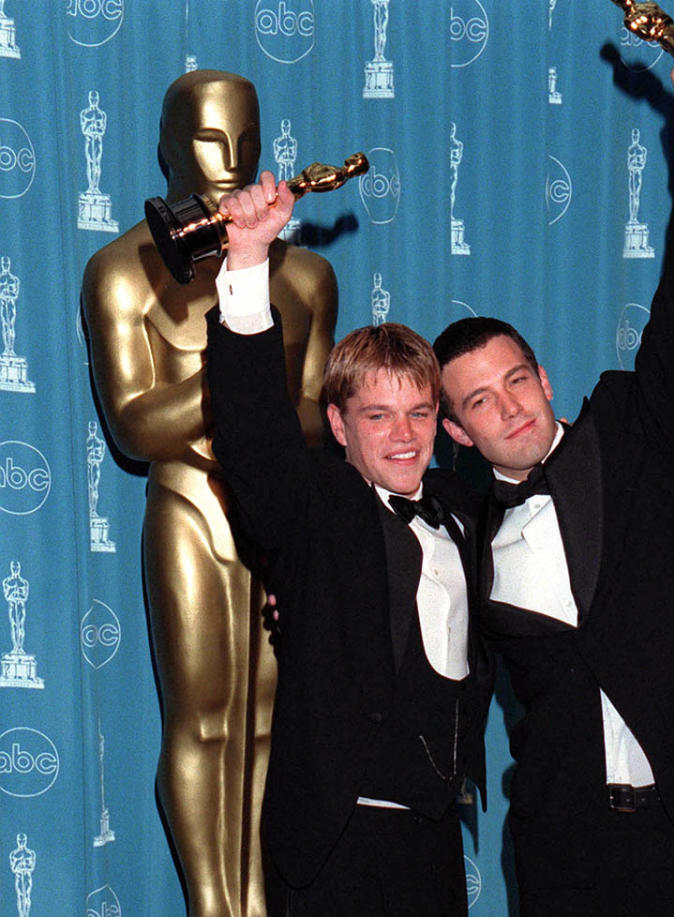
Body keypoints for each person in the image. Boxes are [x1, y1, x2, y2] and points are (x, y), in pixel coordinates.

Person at [434, 35, 674, 916]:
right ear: (455, 433)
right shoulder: (458, 524)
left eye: (516, 380)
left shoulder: (636, 432)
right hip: (565, 856)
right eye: (477, 402)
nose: (508, 407)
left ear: (544, 381)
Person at [81, 70, 337, 917]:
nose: (230, 162)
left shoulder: (306, 281)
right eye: (207, 141)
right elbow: (134, 427)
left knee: (275, 719)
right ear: (167, 146)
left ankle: (260, 899)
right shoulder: (120, 270)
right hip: (188, 507)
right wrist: (236, 368)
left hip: (286, 516)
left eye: (246, 141)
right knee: (203, 719)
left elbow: (321, 417)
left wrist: (233, 378)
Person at [204, 171, 492, 916]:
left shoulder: (461, 509)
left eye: (420, 413)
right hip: (337, 839)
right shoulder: (323, 510)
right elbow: (256, 439)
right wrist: (247, 260)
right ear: (338, 426)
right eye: (378, 415)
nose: (403, 435)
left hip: (434, 841)